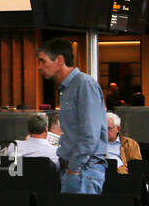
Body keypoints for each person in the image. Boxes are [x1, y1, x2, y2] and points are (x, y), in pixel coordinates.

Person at [37, 39, 108, 195]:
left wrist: (74, 168)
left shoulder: (84, 84)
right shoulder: (67, 88)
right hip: (76, 168)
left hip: (83, 170)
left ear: (60, 60)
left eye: (43, 61)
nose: (39, 67)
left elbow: (90, 134)